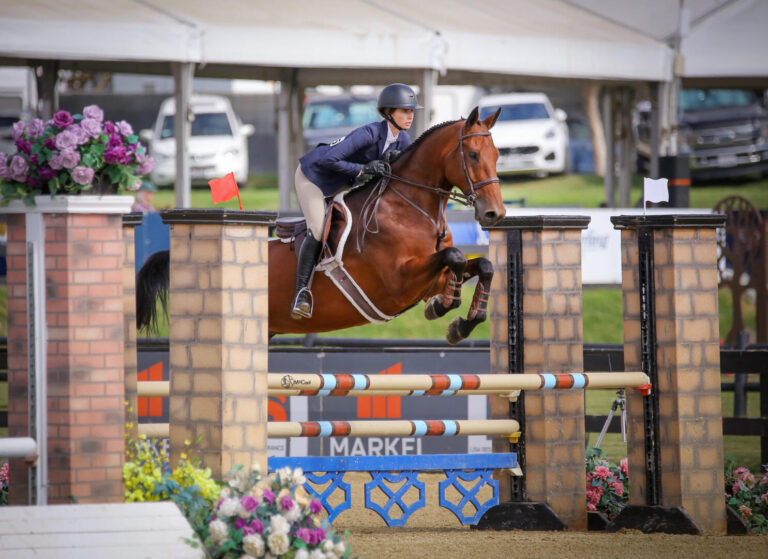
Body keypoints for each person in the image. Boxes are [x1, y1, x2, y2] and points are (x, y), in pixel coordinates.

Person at [290, 83, 423, 319]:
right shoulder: (369, 133)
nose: (410, 116)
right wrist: (363, 169)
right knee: (319, 229)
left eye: (412, 111)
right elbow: (330, 160)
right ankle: (301, 293)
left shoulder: (403, 141)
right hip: (314, 177)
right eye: (405, 111)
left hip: (344, 181)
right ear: (389, 113)